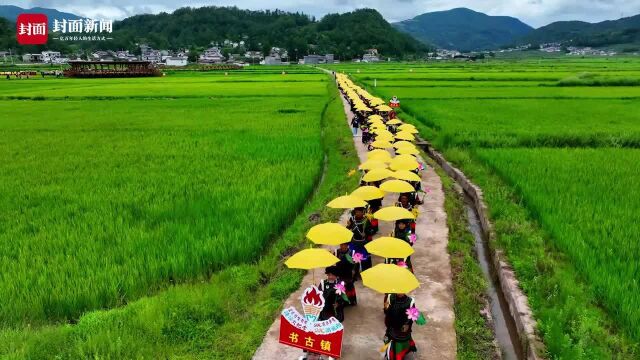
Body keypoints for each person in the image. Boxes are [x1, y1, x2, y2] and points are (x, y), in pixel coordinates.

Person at [383, 293, 417, 360]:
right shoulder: (390, 297)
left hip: (402, 329)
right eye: (398, 290)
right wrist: (386, 308)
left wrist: (407, 324)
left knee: (400, 343)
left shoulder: (410, 301)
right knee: (389, 339)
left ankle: (400, 355)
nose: (399, 293)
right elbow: (386, 312)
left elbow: (413, 315)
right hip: (392, 326)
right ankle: (391, 354)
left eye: (402, 291)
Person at [346, 207, 375, 274]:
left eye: (360, 212)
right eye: (357, 212)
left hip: (364, 243)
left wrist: (366, 233)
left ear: (363, 212)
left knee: (365, 259)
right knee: (353, 258)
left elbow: (371, 230)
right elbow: (348, 230)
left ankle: (366, 272)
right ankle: (355, 273)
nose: (358, 213)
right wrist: (348, 226)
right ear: (355, 212)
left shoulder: (366, 220)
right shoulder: (352, 219)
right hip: (354, 242)